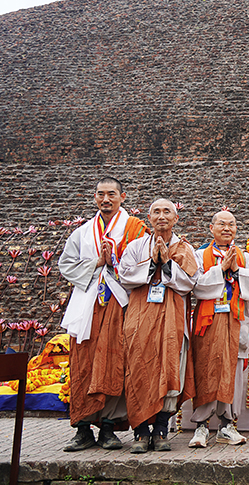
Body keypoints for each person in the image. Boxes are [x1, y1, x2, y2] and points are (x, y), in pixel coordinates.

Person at [58, 177, 148, 451]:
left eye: (111, 194)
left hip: (119, 304)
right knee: (83, 363)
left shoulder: (136, 230)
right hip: (87, 306)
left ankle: (108, 427)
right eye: (100, 194)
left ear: (122, 197)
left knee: (116, 363)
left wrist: (116, 264)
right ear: (94, 198)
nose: (105, 199)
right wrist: (97, 262)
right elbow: (65, 265)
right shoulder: (83, 233)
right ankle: (83, 428)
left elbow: (143, 266)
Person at [119, 198, 199, 453]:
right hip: (140, 318)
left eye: (167, 212)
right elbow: (124, 275)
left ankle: (161, 430)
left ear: (176, 219)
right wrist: (152, 264)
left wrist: (166, 264)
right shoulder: (135, 246)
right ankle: (141, 432)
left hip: (172, 319)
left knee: (170, 368)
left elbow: (190, 282)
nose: (161, 216)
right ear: (149, 218)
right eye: (156, 212)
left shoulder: (185, 249)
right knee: (139, 369)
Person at [188, 210, 249, 448]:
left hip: (235, 320)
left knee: (234, 372)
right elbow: (195, 286)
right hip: (208, 322)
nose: (227, 228)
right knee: (205, 370)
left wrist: (236, 270)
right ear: (212, 228)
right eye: (222, 224)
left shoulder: (245, 258)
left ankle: (227, 425)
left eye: (232, 224)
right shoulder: (200, 255)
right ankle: (201, 426)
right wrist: (220, 270)